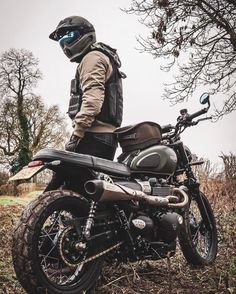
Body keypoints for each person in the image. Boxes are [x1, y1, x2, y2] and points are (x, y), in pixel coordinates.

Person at [45, 16, 125, 191]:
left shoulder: (92, 58)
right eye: (61, 43)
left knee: (61, 187)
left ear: (85, 36)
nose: (65, 46)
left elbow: (93, 101)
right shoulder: (101, 57)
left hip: (93, 136)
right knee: (86, 194)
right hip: (104, 138)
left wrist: (77, 133)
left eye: (68, 39)